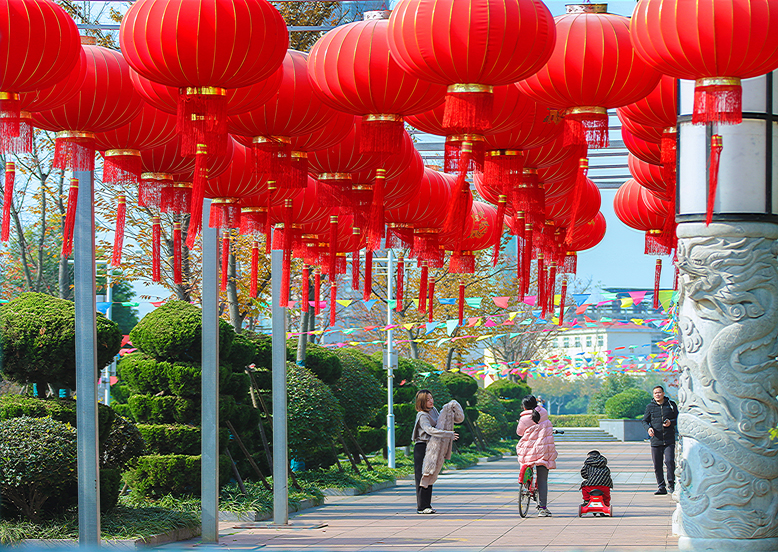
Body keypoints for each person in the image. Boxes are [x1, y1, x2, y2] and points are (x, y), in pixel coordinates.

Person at [411, 389, 458, 514]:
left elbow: (440, 424)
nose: (431, 401)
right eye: (427, 400)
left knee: (431, 475)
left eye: (431, 398)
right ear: (421, 402)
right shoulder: (422, 415)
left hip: (434, 446)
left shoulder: (434, 411)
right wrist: (448, 434)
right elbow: (430, 430)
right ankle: (421, 507)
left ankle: (427, 505)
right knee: (422, 476)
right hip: (422, 447)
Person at [516, 395, 558, 517]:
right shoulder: (544, 413)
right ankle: (543, 508)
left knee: (526, 464)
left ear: (524, 407)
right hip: (543, 449)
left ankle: (527, 484)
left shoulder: (524, 419)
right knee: (543, 478)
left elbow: (519, 433)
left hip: (529, 450)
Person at [642, 385, 679, 495]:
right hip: (656, 440)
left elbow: (678, 418)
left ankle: (671, 485)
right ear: (653, 395)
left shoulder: (671, 405)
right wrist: (649, 429)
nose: (657, 394)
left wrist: (671, 423)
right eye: (655, 393)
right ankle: (661, 486)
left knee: (669, 461)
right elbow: (644, 421)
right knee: (657, 464)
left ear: (663, 393)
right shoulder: (650, 407)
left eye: (659, 392)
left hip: (669, 439)